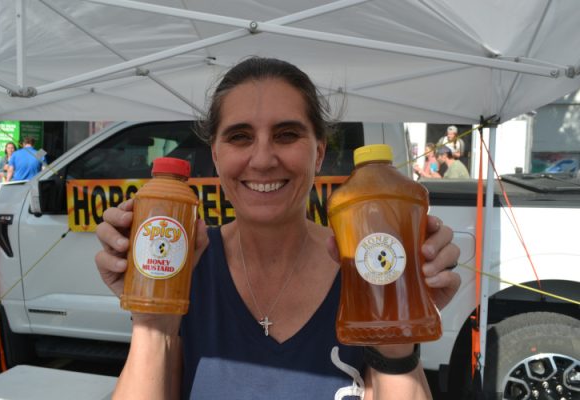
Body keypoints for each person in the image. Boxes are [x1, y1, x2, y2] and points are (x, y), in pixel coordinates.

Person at [95, 57, 461, 399]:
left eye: (286, 135)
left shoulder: (364, 268)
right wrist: (152, 322)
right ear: (217, 155)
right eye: (240, 137)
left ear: (318, 153)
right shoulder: (186, 267)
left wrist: (400, 333)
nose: (263, 159)